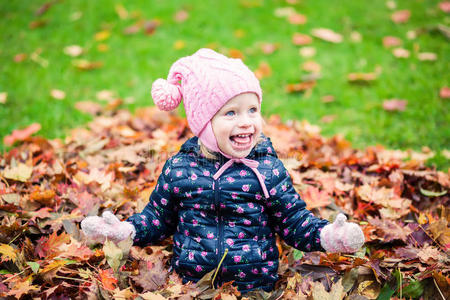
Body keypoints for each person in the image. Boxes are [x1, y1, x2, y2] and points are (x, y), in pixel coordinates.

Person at [81, 48, 365, 292]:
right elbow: (157, 218)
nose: (246, 122)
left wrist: (329, 236)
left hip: (255, 288)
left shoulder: (266, 170)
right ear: (203, 123)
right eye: (231, 113)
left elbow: (293, 222)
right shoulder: (180, 169)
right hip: (193, 286)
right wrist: (125, 229)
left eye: (252, 110)